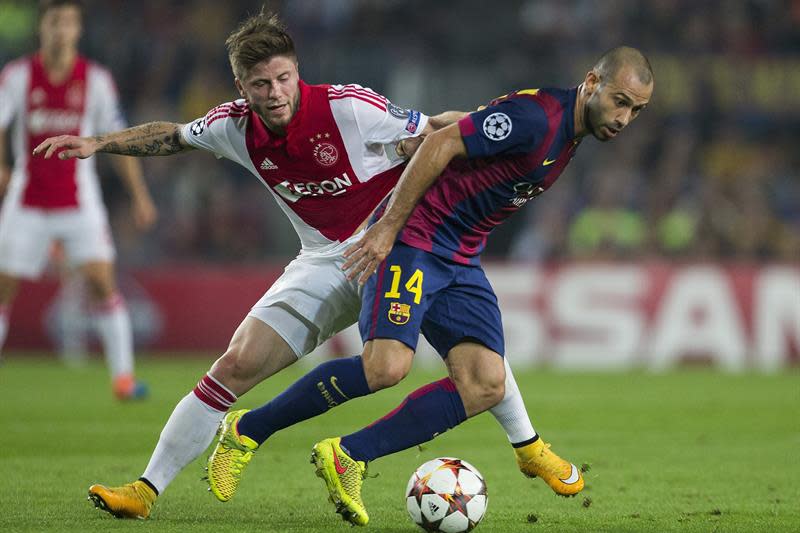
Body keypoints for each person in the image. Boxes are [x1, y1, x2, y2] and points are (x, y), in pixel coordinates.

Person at [34, 9, 546, 519]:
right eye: (261, 84)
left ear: (297, 71)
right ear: (241, 85)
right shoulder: (230, 126)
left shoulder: (348, 107)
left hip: (398, 245)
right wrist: (99, 143)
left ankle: (529, 445)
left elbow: (435, 129)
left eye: (284, 78)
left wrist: (497, 134)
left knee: (468, 350)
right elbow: (173, 136)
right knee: (234, 365)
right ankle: (146, 490)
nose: (276, 93)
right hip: (325, 259)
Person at [304, 46, 653, 525]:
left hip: (459, 254)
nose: (624, 118)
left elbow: (473, 122)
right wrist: (386, 228)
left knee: (488, 381)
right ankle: (249, 429)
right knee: (385, 367)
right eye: (620, 101)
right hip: (419, 238)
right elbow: (442, 143)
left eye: (636, 110)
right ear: (592, 82)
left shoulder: (566, 133)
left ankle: (349, 454)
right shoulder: (539, 118)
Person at [0, 0, 156, 399]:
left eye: (68, 22)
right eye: (54, 22)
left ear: (78, 29)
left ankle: (123, 380)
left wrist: (140, 196)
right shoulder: (17, 76)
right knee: (4, 288)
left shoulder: (96, 80)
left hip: (79, 202)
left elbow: (117, 140)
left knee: (103, 282)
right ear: (43, 28)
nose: (61, 30)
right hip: (27, 201)